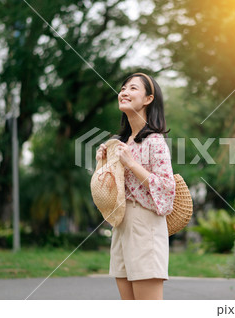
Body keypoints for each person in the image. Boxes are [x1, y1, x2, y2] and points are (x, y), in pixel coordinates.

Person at [96, 72, 176, 300]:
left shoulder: (155, 141)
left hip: (145, 225)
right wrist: (103, 162)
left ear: (149, 99)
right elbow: (110, 189)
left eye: (132, 88)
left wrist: (130, 163)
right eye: (122, 88)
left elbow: (166, 188)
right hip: (121, 224)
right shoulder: (121, 142)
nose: (124, 92)